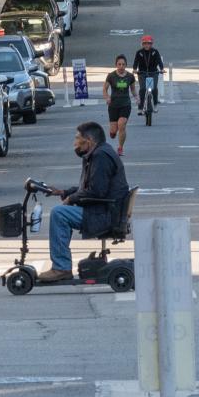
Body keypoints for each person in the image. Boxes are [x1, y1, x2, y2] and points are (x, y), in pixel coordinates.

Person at [39, 121, 130, 284]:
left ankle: (61, 268)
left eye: (77, 139)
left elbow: (97, 191)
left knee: (59, 214)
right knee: (61, 211)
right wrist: (64, 192)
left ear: (89, 141)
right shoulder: (98, 153)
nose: (74, 143)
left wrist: (71, 199)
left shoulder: (101, 156)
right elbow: (90, 186)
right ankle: (61, 266)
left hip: (104, 214)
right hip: (103, 210)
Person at [103, 55, 137, 155]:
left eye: (123, 64)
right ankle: (113, 132)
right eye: (119, 64)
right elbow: (104, 89)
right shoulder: (111, 76)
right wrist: (107, 97)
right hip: (113, 105)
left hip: (125, 105)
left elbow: (133, 89)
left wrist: (137, 97)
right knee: (113, 131)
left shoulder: (130, 76)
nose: (121, 66)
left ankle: (120, 148)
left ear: (126, 65)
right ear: (116, 65)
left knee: (121, 125)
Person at [133, 34, 165, 113]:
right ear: (142, 44)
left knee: (154, 88)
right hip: (142, 73)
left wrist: (162, 69)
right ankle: (140, 107)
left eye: (148, 43)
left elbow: (159, 62)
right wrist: (134, 69)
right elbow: (135, 63)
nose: (147, 45)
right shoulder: (139, 52)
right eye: (145, 43)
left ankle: (155, 104)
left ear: (151, 44)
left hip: (153, 72)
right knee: (143, 89)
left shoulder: (155, 52)